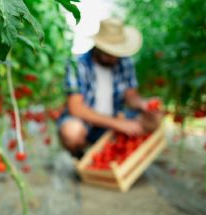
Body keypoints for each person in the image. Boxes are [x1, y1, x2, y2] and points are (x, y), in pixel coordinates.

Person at [58, 18, 163, 159]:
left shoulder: (124, 62)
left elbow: (131, 95)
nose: (114, 58)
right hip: (87, 123)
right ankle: (82, 158)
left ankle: (122, 153)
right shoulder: (77, 65)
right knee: (71, 132)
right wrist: (119, 124)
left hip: (115, 118)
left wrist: (142, 104)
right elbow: (76, 108)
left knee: (155, 117)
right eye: (109, 53)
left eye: (117, 53)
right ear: (98, 47)